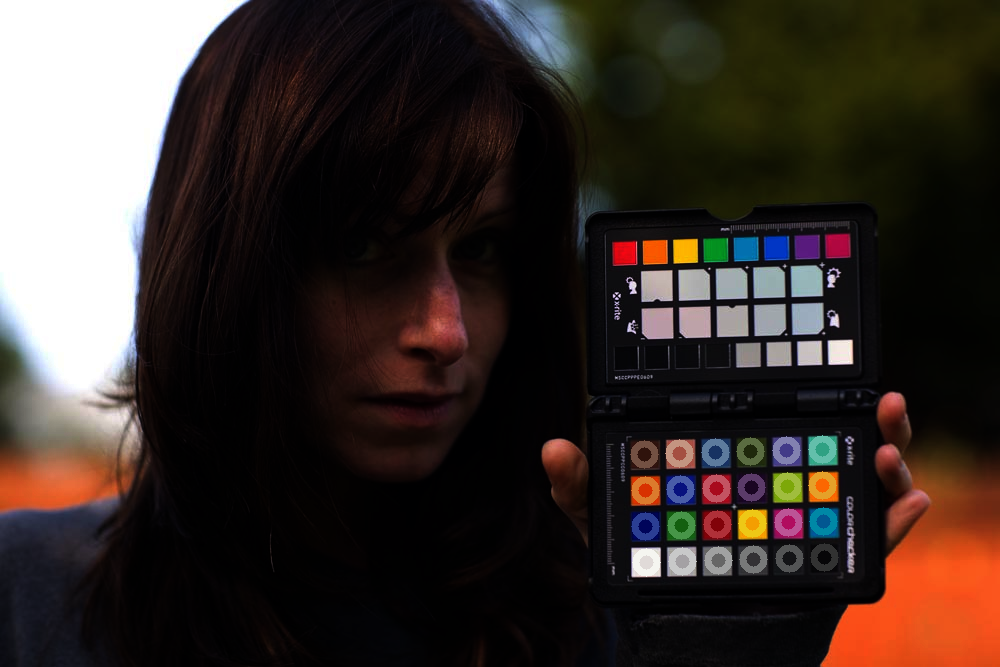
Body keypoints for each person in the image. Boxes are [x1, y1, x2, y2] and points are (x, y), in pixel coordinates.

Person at [0, 1, 930, 665]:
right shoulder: (21, 601)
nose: (445, 331)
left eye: (482, 249)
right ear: (226, 267)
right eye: (364, 245)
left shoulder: (598, 618)